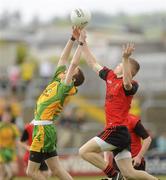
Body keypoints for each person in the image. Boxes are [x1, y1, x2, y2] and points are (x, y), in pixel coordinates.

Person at [79, 35, 158, 180]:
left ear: (126, 69)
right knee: (130, 173)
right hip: (120, 134)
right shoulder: (110, 76)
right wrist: (83, 43)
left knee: (83, 152)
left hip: (116, 131)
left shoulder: (132, 84)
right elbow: (93, 63)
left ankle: (114, 175)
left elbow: (127, 83)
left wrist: (125, 59)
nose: (117, 65)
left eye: (119, 64)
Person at [26, 28, 85, 180]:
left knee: (30, 172)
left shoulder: (66, 87)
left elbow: (73, 63)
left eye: (73, 71)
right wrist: (72, 39)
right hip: (44, 128)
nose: (67, 70)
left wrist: (81, 43)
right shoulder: (59, 80)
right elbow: (63, 60)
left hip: (43, 130)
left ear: (72, 78)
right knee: (57, 171)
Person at [104, 113, 152, 179]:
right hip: (118, 161)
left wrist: (139, 157)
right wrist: (106, 160)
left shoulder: (132, 120)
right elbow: (108, 142)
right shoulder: (111, 122)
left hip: (134, 161)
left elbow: (147, 139)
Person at [0, 106, 20, 180]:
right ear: (2, 117)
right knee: (1, 173)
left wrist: (19, 150)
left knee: (14, 172)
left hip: (11, 151)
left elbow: (17, 140)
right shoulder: (0, 126)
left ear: (11, 118)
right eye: (5, 116)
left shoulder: (13, 127)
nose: (7, 118)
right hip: (1, 151)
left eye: (8, 116)